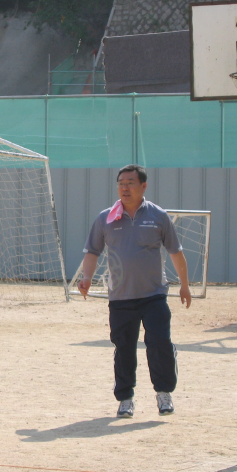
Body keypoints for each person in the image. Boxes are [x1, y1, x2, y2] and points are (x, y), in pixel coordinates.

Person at [78, 164, 191, 419]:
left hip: (154, 295)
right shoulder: (106, 218)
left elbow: (176, 252)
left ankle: (164, 393)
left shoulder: (158, 216)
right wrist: (86, 278)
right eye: (121, 183)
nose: (125, 188)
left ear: (143, 186)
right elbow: (92, 252)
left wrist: (184, 285)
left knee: (159, 343)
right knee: (124, 348)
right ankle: (125, 398)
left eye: (130, 183)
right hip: (120, 297)